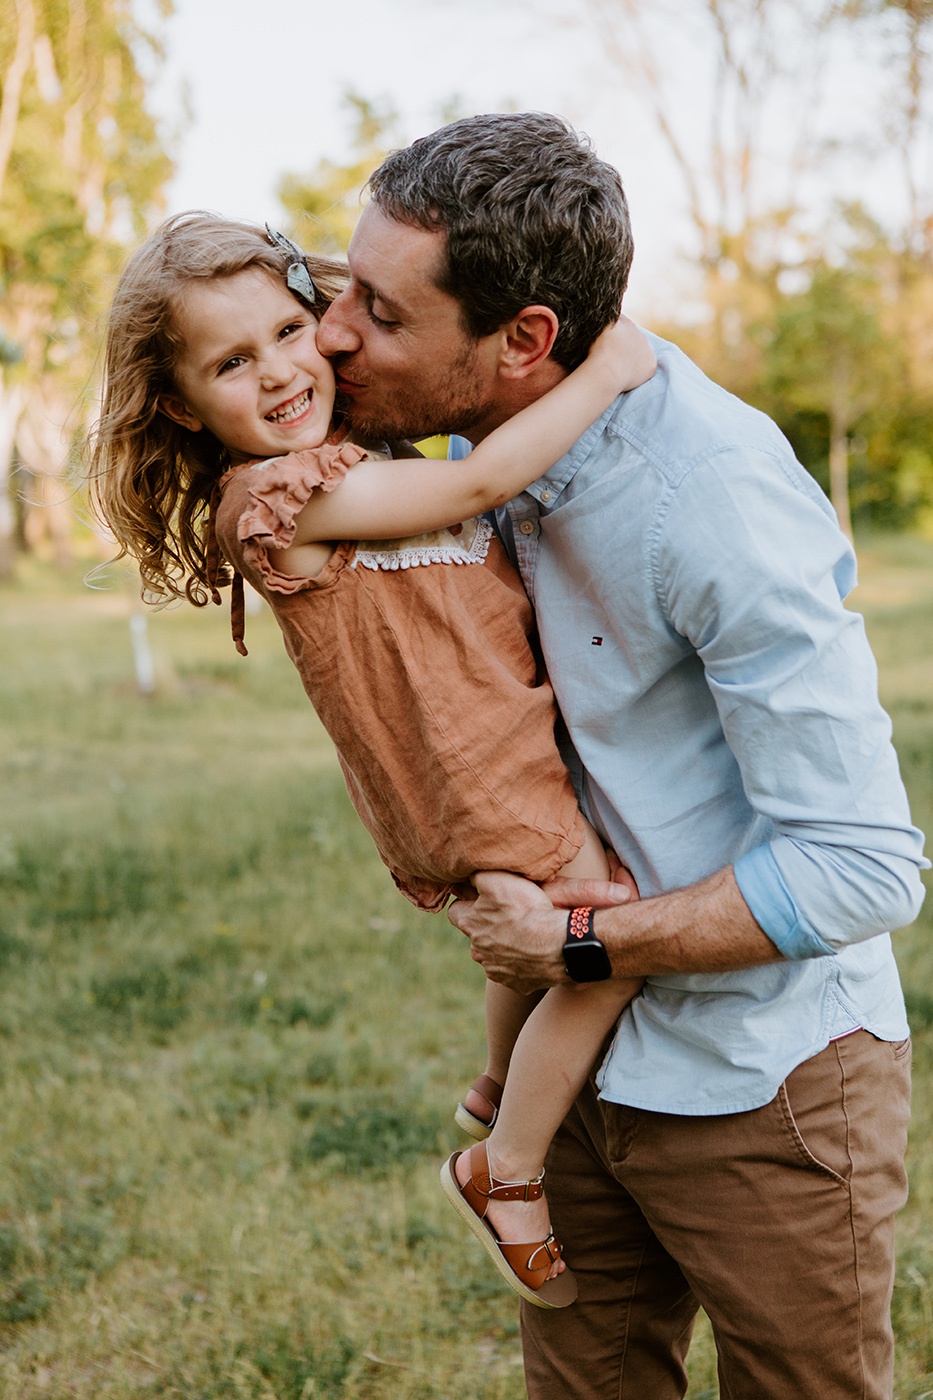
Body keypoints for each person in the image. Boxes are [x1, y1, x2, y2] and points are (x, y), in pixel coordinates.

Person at [313, 112, 928, 1399]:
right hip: (579, 1080)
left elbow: (865, 868)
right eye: (339, 285)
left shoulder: (711, 497)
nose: (332, 332)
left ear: (525, 342)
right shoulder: (483, 442)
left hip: (768, 1090)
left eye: (379, 307)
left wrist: (580, 950)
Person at [87, 211, 658, 1311]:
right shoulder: (272, 497)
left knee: (517, 950)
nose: (281, 369)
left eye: (291, 329)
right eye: (231, 361)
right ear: (180, 403)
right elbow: (470, 488)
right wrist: (608, 374)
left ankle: (498, 1086)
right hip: (463, 767)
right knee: (605, 940)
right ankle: (509, 1167)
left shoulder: (349, 455)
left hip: (480, 752)